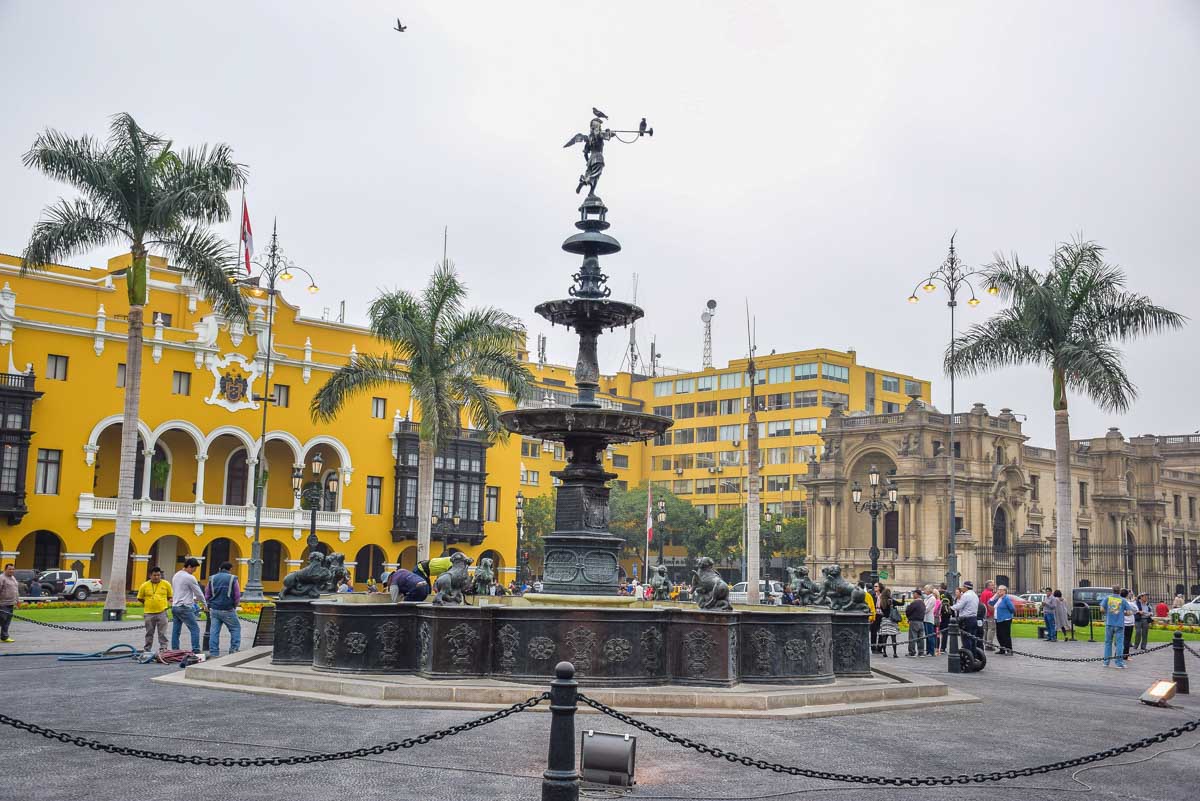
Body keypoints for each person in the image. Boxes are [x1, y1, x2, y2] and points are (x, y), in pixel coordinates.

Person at [204, 561, 241, 658]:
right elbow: (237, 595)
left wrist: (209, 603)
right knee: (235, 628)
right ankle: (234, 649)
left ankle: (214, 652)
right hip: (228, 609)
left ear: (220, 569)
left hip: (214, 609)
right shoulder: (233, 578)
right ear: (230, 569)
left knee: (214, 632)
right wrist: (235, 605)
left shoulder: (212, 578)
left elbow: (207, 594)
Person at [170, 558, 206, 652]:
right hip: (184, 607)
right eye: (194, 569)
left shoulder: (176, 575)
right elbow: (198, 593)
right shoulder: (189, 577)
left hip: (175, 606)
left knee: (176, 630)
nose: (194, 571)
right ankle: (196, 649)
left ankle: (175, 649)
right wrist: (205, 604)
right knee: (195, 629)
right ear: (189, 566)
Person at [136, 566, 173, 652]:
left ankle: (163, 648)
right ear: (150, 575)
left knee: (162, 633)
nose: (156, 577)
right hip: (149, 613)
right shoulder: (144, 585)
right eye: (154, 575)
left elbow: (169, 596)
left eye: (158, 575)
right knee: (149, 632)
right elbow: (140, 598)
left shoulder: (166, 584)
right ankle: (147, 649)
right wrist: (148, 603)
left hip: (162, 612)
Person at [1102, 586, 1134, 668]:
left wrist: (1108, 613)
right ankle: (1119, 663)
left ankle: (1106, 662)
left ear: (1112, 591)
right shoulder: (1123, 600)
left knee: (1108, 643)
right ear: (1119, 591)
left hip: (1109, 623)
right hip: (1119, 624)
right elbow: (1129, 612)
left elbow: (1101, 609)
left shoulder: (1107, 598)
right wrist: (1123, 613)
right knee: (1120, 644)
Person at [988, 584, 1016, 654]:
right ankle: (1002, 649)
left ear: (1004, 591)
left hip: (1005, 620)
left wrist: (1008, 614)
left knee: (1006, 635)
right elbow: (990, 602)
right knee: (999, 635)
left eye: (1000, 590)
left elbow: (1012, 608)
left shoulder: (1006, 598)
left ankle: (1009, 650)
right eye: (998, 589)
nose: (999, 591)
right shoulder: (998, 598)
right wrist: (995, 595)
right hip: (998, 619)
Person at [952, 581, 980, 650]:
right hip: (974, 618)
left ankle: (967, 652)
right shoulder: (975, 595)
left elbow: (959, 606)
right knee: (972, 638)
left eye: (963, 587)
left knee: (965, 638)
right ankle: (973, 653)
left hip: (966, 619)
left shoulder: (965, 595)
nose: (962, 588)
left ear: (966, 587)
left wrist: (951, 607)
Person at [877, 588, 899, 657]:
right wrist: (903, 598)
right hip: (891, 620)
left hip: (884, 620)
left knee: (884, 637)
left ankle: (884, 652)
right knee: (893, 637)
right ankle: (895, 653)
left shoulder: (882, 602)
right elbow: (902, 603)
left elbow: (882, 611)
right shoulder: (891, 601)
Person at [0, 563, 19, 643]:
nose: (11, 570)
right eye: (10, 569)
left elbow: (15, 590)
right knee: (2, 620)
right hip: (3, 604)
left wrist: (17, 601)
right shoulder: (1, 578)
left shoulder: (13, 578)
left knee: (7, 621)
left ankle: (4, 637)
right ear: (5, 569)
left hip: (11, 603)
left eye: (13, 569)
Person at [905, 591, 926, 657]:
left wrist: (909, 617)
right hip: (921, 622)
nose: (913, 595)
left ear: (917, 595)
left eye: (914, 594)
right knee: (921, 638)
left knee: (912, 637)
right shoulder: (923, 603)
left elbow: (908, 611)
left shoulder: (914, 603)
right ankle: (921, 652)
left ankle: (912, 652)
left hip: (914, 621)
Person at [979, 580, 996, 651]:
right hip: (990, 613)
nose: (994, 586)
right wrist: (993, 612)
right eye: (992, 585)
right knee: (991, 629)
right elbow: (990, 604)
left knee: (986, 629)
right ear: (988, 586)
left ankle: (985, 643)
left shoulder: (983, 592)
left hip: (984, 613)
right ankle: (989, 644)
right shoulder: (990, 593)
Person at [922, 585, 938, 657]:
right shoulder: (926, 598)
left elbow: (927, 609)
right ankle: (928, 650)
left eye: (925, 589)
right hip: (925, 618)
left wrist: (921, 610)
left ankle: (932, 651)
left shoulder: (932, 598)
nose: (924, 590)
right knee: (927, 636)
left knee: (930, 635)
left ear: (929, 590)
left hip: (929, 619)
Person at [869, 581, 884, 653]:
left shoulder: (883, 596)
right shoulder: (872, 595)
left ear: (880, 587)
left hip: (882, 615)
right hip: (875, 615)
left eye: (876, 586)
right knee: (873, 632)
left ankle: (880, 648)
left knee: (882, 632)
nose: (874, 587)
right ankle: (873, 648)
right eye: (874, 586)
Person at [1122, 590, 1136, 661]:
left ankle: (1118, 654)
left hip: (1122, 622)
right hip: (1129, 623)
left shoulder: (1120, 601)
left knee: (1121, 639)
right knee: (1127, 640)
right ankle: (1125, 656)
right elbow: (1136, 609)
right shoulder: (1129, 603)